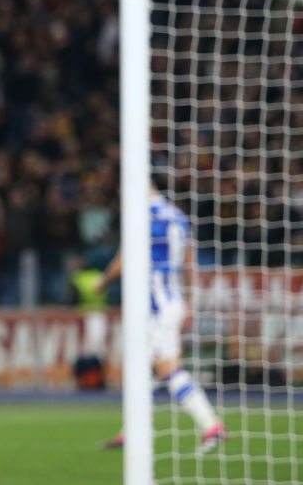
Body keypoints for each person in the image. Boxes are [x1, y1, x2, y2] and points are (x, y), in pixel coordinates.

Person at [96, 184, 226, 452]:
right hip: (174, 299)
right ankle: (130, 432)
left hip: (156, 303)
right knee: (147, 367)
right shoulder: (177, 215)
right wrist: (189, 303)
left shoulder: (141, 215)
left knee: (168, 368)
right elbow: (190, 263)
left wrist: (103, 280)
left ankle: (212, 427)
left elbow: (124, 259)